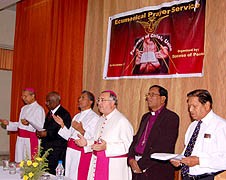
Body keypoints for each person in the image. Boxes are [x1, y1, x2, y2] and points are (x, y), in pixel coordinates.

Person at [75, 90, 134, 180]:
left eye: (102, 100)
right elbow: (97, 141)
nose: (99, 103)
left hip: (113, 168)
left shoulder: (122, 121)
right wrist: (86, 143)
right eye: (98, 100)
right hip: (97, 161)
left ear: (112, 103)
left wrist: (107, 147)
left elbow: (128, 146)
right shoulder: (101, 119)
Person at [171, 89, 226, 180]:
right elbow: (188, 151)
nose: (190, 110)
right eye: (189, 106)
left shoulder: (221, 126)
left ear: (207, 105)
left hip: (208, 177)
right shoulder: (193, 126)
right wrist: (180, 160)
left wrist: (199, 161)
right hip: (187, 177)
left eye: (194, 106)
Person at [128, 85, 179, 180]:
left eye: (152, 94)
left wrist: (141, 165)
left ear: (163, 99)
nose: (148, 97)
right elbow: (137, 139)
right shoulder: (145, 117)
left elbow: (163, 147)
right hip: (137, 167)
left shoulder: (171, 118)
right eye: (148, 94)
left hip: (155, 169)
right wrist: (131, 158)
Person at [53, 90, 99, 180]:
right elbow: (69, 136)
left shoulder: (95, 118)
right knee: (69, 174)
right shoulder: (77, 116)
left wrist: (81, 130)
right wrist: (62, 125)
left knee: (78, 175)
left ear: (91, 101)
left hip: (81, 151)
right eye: (79, 98)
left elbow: (94, 138)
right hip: (71, 150)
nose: (79, 100)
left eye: (83, 98)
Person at [0, 88, 45, 163]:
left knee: (30, 163)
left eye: (25, 96)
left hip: (31, 140)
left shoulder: (39, 109)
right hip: (20, 139)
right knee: (20, 162)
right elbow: (20, 125)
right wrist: (9, 123)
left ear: (33, 96)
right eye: (22, 96)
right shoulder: (23, 108)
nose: (23, 98)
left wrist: (29, 123)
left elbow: (40, 127)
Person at [36, 91, 71, 175]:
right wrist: (40, 132)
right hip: (47, 148)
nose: (46, 103)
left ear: (55, 101)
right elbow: (48, 128)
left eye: (48, 101)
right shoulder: (50, 113)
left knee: (53, 174)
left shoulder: (64, 113)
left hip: (57, 151)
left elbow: (63, 134)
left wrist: (46, 133)